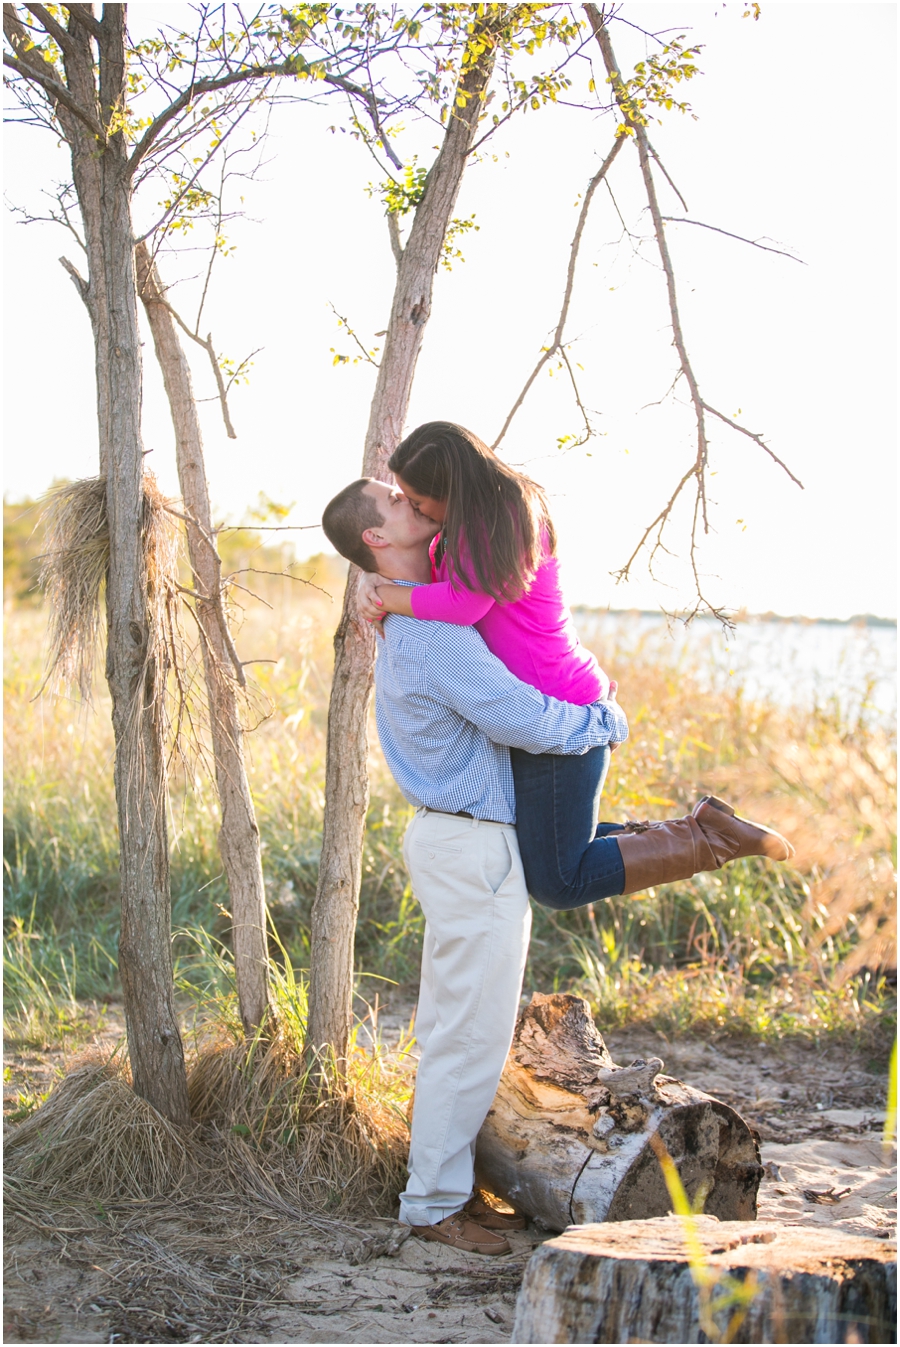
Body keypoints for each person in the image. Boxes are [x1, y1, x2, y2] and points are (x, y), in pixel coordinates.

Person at [321, 475, 792, 1255]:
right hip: (473, 844)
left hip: (457, 837)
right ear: (377, 537)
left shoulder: (414, 605)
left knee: (451, 1028)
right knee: (467, 1039)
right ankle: (434, 1203)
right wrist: (600, 718)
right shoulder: (431, 631)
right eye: (398, 503)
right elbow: (517, 715)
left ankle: (442, 1188)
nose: (415, 502)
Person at [356, 422, 793, 908]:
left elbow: (463, 608)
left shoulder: (504, 518)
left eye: (418, 501)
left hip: (558, 706)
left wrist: (390, 597)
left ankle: (709, 840)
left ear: (451, 490)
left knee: (556, 883)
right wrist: (372, 584)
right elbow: (432, 590)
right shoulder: (463, 526)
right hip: (532, 706)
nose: (414, 508)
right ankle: (703, 829)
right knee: (539, 849)